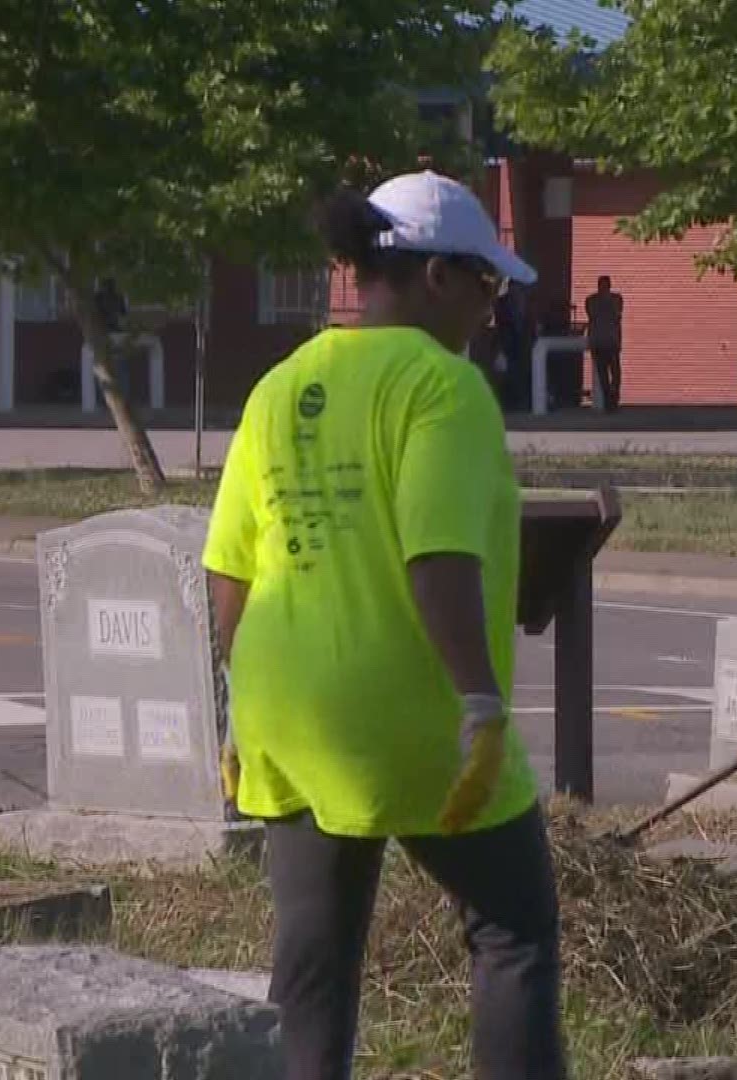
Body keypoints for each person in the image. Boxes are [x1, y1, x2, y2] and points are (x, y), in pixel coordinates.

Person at [201, 170, 564, 1080]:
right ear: (436, 277)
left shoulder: (279, 385)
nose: (493, 308)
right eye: (487, 285)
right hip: (412, 712)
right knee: (512, 929)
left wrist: (238, 708)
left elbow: (229, 568)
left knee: (314, 966)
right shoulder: (443, 388)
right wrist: (479, 700)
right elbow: (435, 557)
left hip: (288, 713)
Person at [584, 274, 623, 411]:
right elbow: (616, 315)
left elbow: (593, 315)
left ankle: (610, 399)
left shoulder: (592, 300)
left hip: (601, 340)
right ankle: (611, 399)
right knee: (611, 372)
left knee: (607, 373)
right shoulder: (613, 299)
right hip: (607, 340)